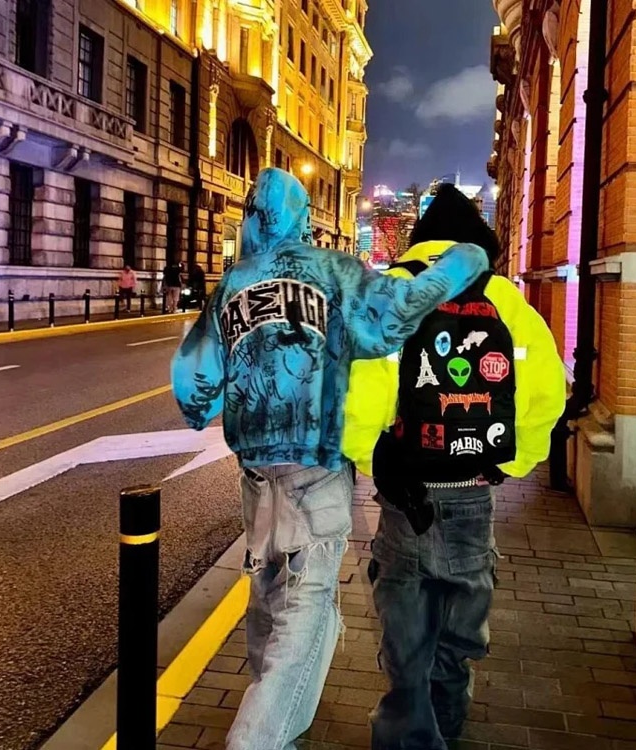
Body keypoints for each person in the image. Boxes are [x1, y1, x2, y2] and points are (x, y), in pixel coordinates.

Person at [170, 168, 491, 750]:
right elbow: (393, 315)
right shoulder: (332, 272)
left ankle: (279, 733)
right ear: (303, 220)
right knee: (307, 610)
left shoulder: (234, 282)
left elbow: (194, 388)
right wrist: (462, 261)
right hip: (314, 469)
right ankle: (256, 740)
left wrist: (224, 391)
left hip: (255, 474)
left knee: (268, 595)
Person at [342, 184, 567, 750]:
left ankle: (408, 732)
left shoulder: (392, 292)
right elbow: (547, 395)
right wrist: (509, 462)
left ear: (420, 243)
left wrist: (374, 459)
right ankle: (444, 727)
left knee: (405, 631)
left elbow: (355, 395)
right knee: (458, 636)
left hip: (406, 497)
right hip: (471, 494)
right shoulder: (507, 300)